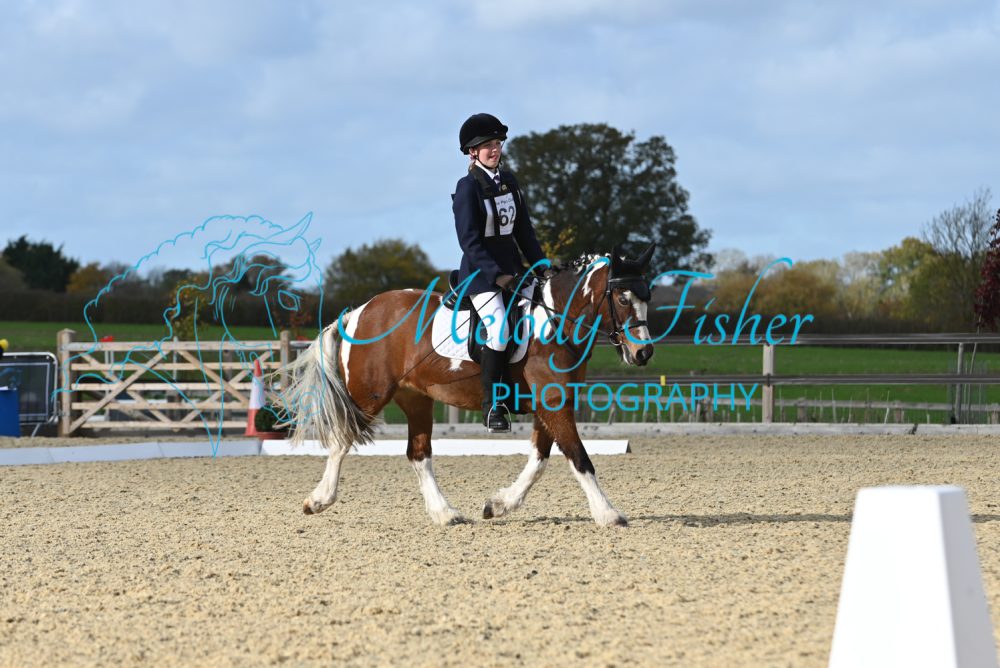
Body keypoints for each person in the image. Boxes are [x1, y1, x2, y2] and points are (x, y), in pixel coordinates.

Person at [452, 113, 555, 433]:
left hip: (514, 271)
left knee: (543, 318)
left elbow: (524, 232)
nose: (494, 149)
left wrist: (542, 265)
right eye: (487, 145)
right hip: (481, 277)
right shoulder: (467, 187)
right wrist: (497, 275)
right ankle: (492, 405)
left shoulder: (509, 181)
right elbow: (469, 241)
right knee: (498, 331)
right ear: (473, 152)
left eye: (497, 143)